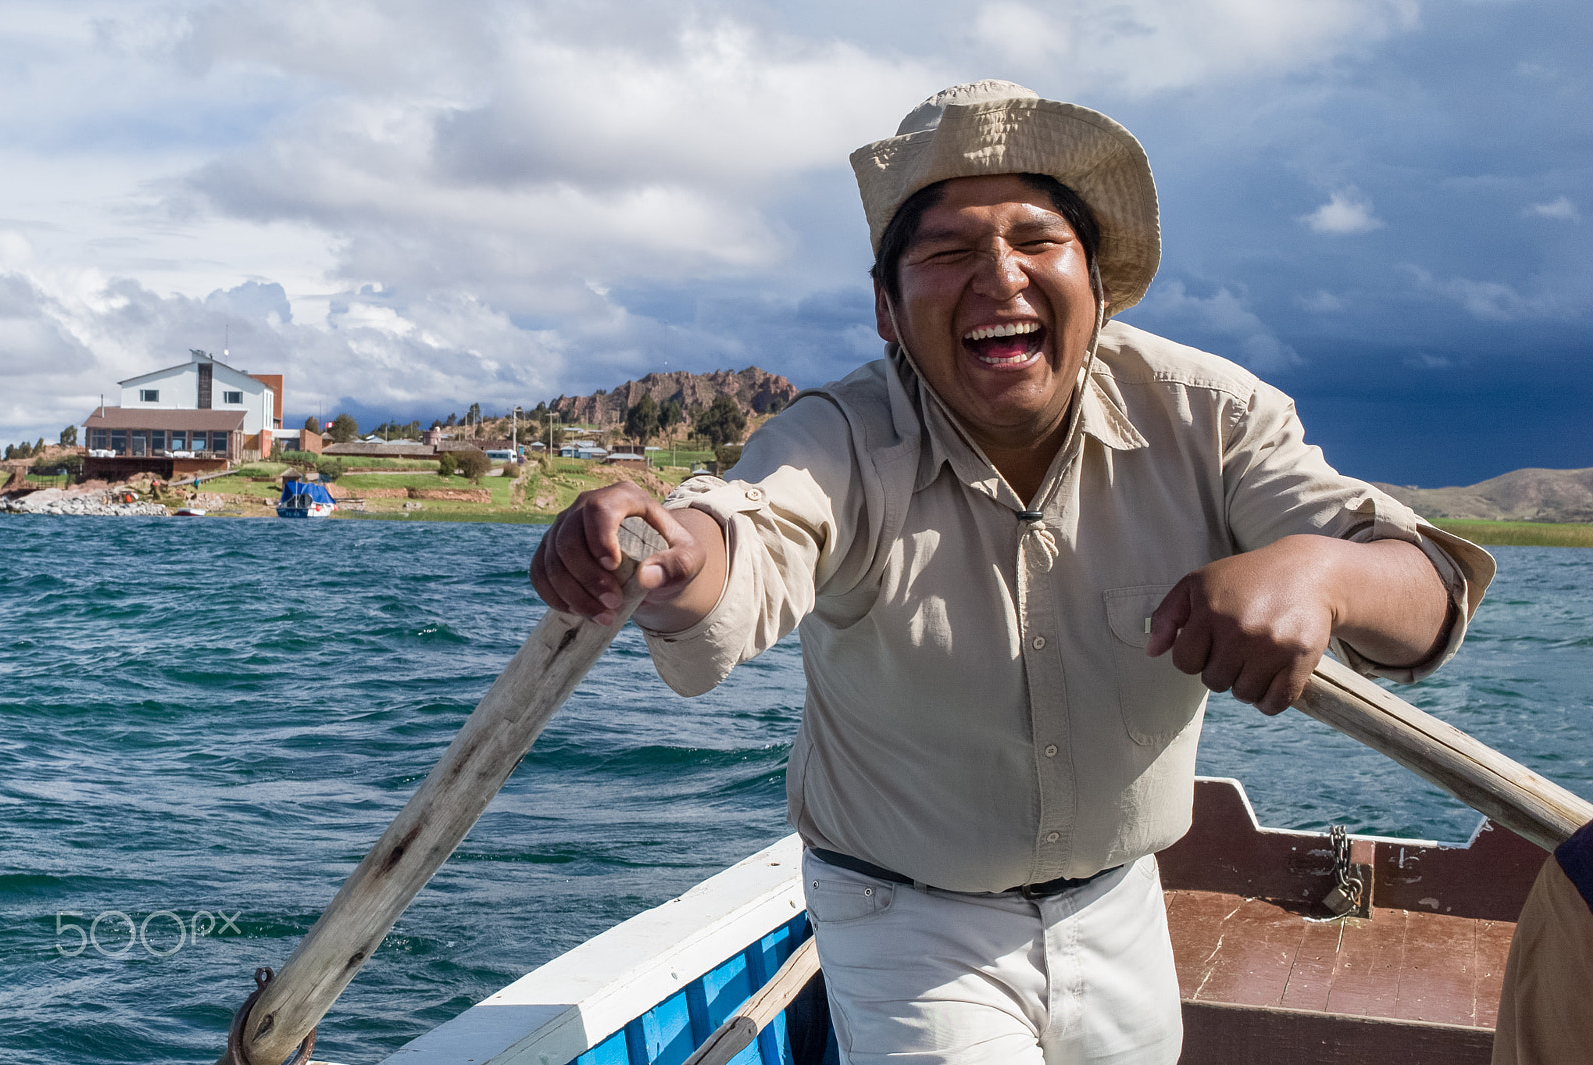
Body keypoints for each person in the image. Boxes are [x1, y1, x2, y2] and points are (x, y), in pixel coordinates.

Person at [532, 81, 1495, 1065]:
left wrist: (1322, 573)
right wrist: (662, 546)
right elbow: (744, 536)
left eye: (1035, 241)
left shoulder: (1210, 417)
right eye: (947, 252)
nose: (999, 276)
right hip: (903, 919)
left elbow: (1423, 594)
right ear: (886, 311)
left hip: (1120, 904)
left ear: (1100, 285)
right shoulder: (840, 441)